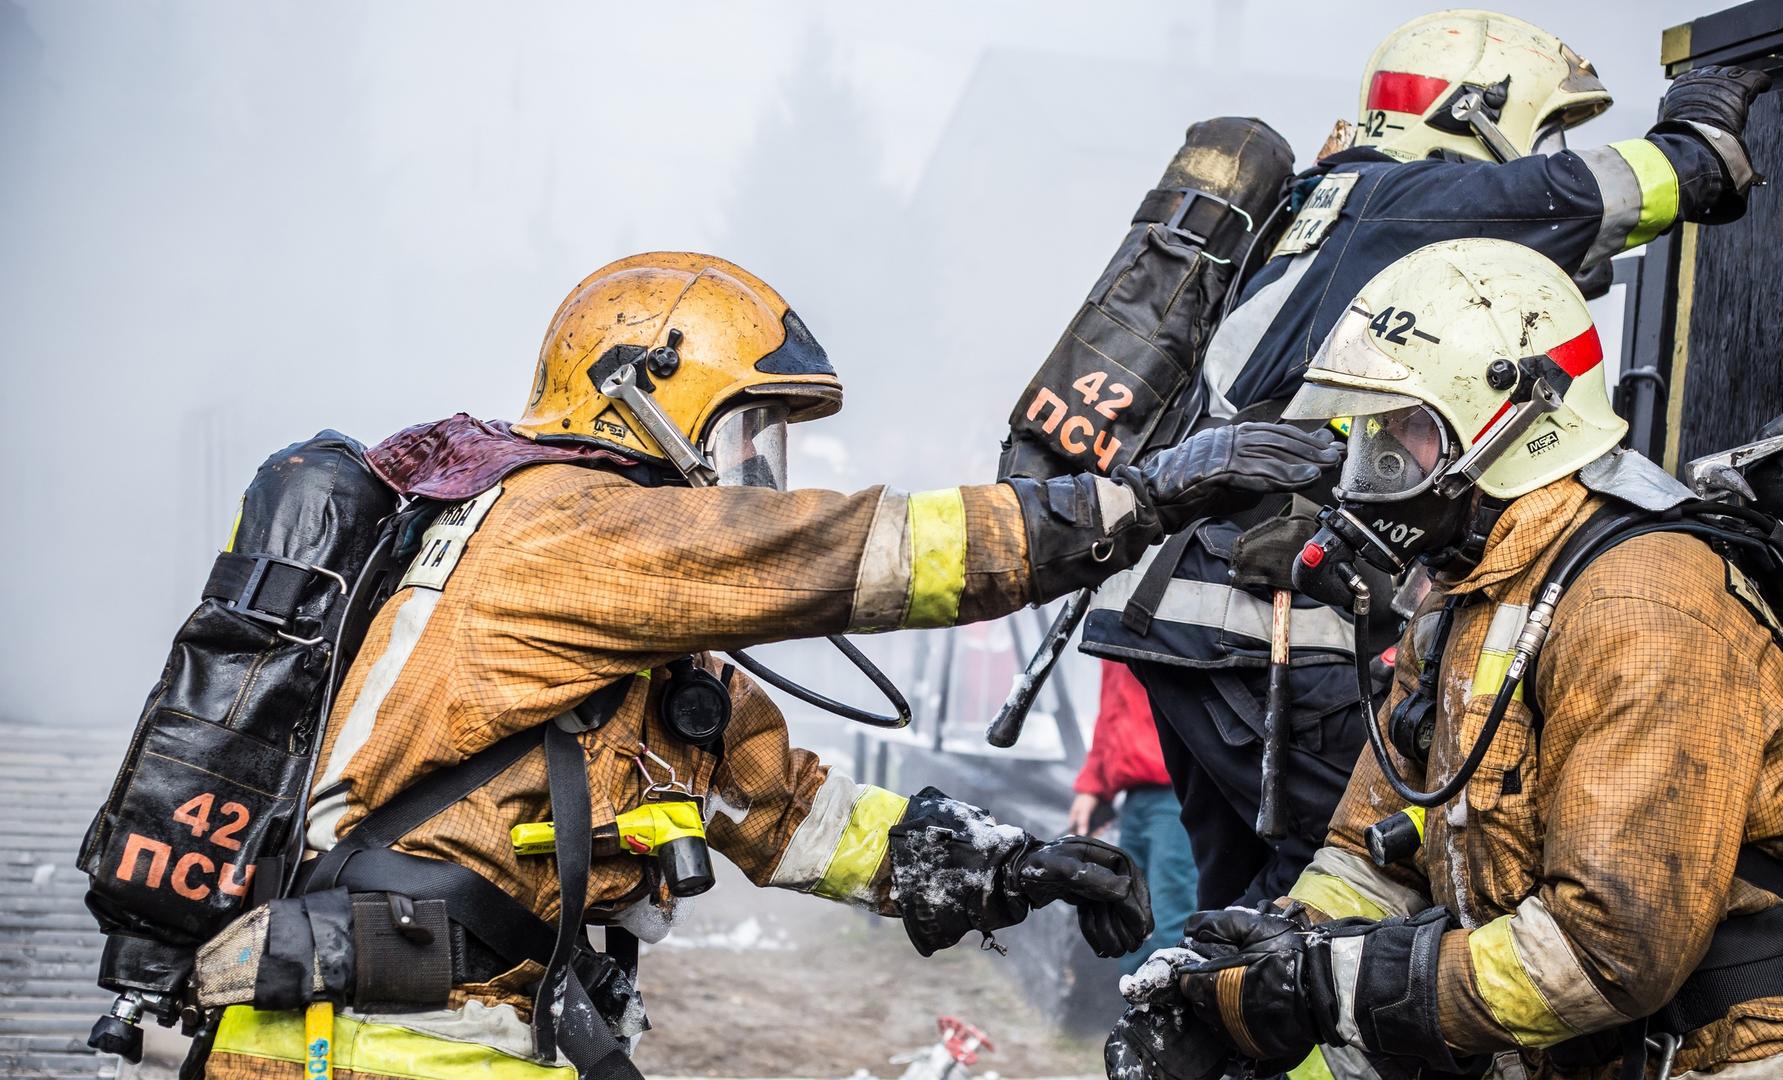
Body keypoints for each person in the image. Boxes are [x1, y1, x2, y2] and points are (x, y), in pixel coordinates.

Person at [197, 251, 1344, 1080]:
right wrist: (1135, 501)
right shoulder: (572, 524)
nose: (755, 467)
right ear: (644, 396)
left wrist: (1013, 868)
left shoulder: (626, 619)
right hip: (369, 1046)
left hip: (451, 1030)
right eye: (746, 429)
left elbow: (779, 809)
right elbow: (861, 553)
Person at [1114, 238, 1783, 1080]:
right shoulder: (1470, 596)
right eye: (1368, 429)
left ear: (1515, 423)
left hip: (1743, 1056)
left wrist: (1326, 989)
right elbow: (1372, 852)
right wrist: (1251, 982)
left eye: (1405, 428)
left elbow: (1608, 952)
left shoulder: (1642, 606)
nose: (1370, 463)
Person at [1080, 8, 1775, 912]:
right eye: (1545, 127)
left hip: (1177, 615)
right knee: (1368, 881)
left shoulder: (1314, 206)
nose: (1547, 153)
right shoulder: (1420, 199)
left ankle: (1207, 1031)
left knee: (1244, 899)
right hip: (1263, 627)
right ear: (1476, 110)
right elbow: (1682, 177)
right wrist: (1702, 110)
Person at [1068, 660, 1200, 968]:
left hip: (1178, 789)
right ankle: (1135, 1009)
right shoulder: (1113, 616)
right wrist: (1093, 784)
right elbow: (1112, 705)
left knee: (1171, 919)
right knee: (1130, 913)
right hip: (1136, 795)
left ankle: (1170, 1012)